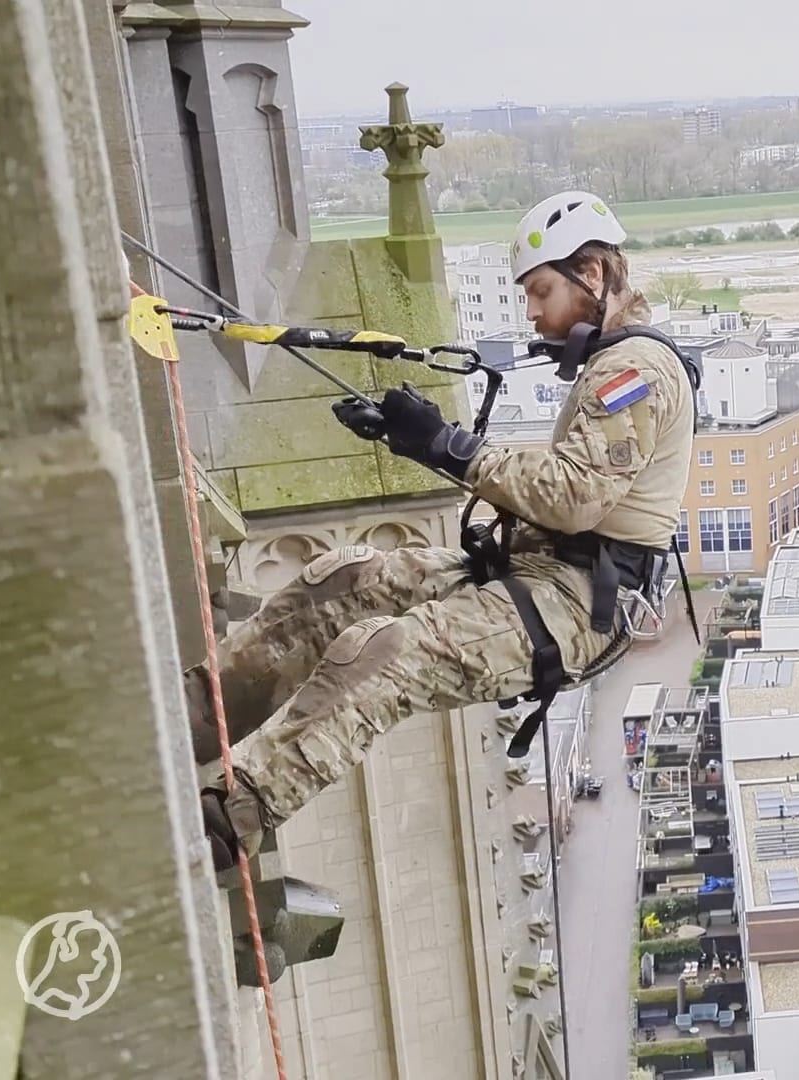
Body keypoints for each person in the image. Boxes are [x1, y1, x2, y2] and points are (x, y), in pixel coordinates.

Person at [194, 191, 697, 871]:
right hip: (539, 570)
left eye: (541, 291)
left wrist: (448, 447)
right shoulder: (613, 361)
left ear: (593, 274)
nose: (532, 312)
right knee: (342, 581)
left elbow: (576, 496)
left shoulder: (636, 371)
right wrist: (416, 440)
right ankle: (198, 714)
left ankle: (232, 817)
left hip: (580, 605)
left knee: (389, 652)